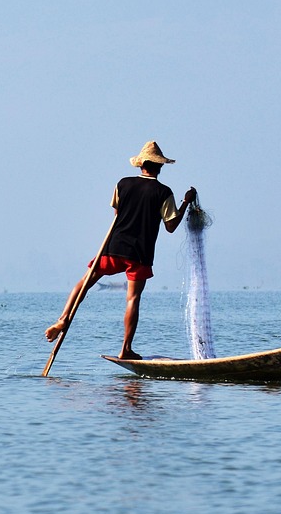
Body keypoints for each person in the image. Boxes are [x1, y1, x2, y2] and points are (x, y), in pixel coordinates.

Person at [45, 141, 197, 360]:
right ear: (159, 167)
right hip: (139, 254)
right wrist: (185, 202)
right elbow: (171, 226)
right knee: (132, 299)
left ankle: (63, 317)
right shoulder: (163, 192)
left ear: (141, 165)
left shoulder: (123, 184)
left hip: (113, 247)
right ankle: (125, 349)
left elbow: (117, 213)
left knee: (85, 282)